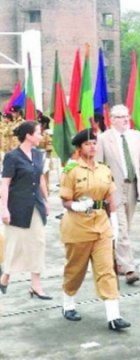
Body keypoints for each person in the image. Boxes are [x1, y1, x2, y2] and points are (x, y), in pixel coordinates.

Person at [58, 129, 130, 330]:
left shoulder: (104, 169)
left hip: (101, 226)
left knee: (107, 270)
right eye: (88, 144)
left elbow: (110, 199)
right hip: (78, 227)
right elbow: (65, 200)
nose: (92, 147)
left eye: (94, 143)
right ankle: (68, 304)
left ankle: (113, 316)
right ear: (80, 148)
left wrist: (114, 221)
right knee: (75, 270)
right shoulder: (71, 171)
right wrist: (75, 206)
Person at [96, 104, 140, 285]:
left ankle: (116, 260)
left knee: (125, 227)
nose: (126, 119)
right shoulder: (103, 139)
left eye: (127, 116)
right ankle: (129, 268)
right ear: (111, 119)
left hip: (132, 187)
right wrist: (103, 192)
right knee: (121, 228)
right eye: (120, 117)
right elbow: (100, 167)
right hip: (114, 190)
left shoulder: (137, 137)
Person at [0, 122, 49, 299]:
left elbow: (41, 178)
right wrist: (4, 209)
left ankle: (36, 285)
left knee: (38, 243)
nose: (41, 136)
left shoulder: (38, 154)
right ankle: (5, 276)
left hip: (35, 205)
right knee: (16, 246)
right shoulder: (12, 157)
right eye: (38, 133)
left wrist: (46, 200)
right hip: (16, 208)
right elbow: (4, 184)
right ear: (28, 135)